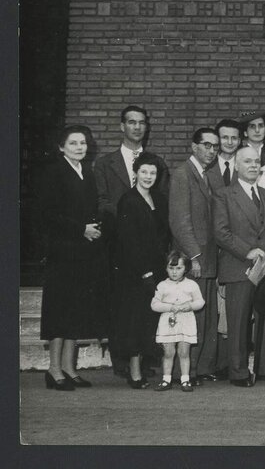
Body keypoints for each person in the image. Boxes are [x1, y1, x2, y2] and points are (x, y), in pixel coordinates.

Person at [93, 104, 168, 378]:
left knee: (146, 304)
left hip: (148, 247)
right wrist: (128, 216)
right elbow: (102, 200)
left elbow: (160, 205)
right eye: (131, 122)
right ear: (121, 126)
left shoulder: (155, 164)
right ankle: (122, 362)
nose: (137, 127)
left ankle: (145, 359)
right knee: (122, 306)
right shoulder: (104, 163)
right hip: (117, 245)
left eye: (141, 122)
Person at [39, 125, 111, 391]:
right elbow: (47, 214)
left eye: (83, 143)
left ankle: (69, 368)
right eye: (73, 143)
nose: (80, 147)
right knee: (59, 311)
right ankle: (54, 369)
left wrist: (95, 227)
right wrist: (80, 229)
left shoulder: (87, 173)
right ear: (61, 147)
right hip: (62, 252)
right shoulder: (54, 173)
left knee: (75, 310)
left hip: (83, 252)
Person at [213, 146, 265, 387]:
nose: (254, 165)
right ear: (236, 165)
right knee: (238, 321)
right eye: (247, 161)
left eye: (257, 161)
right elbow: (221, 233)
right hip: (239, 267)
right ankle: (239, 372)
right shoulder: (224, 195)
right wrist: (247, 251)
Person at [169, 127, 225, 384]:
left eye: (215, 146)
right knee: (192, 317)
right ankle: (187, 372)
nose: (211, 151)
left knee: (206, 316)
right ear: (193, 147)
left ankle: (202, 368)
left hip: (210, 257)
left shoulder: (209, 175)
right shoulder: (183, 174)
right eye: (206, 145)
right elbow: (180, 222)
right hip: (196, 258)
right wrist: (194, 256)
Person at [112, 152, 171, 389]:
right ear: (135, 173)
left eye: (153, 173)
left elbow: (163, 235)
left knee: (149, 320)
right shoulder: (128, 200)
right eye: (144, 172)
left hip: (157, 269)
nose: (148, 176)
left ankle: (145, 365)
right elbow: (129, 242)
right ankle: (134, 372)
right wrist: (144, 272)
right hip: (136, 272)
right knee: (135, 321)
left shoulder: (158, 198)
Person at [151, 251, 205, 392]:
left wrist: (190, 306)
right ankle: (166, 379)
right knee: (168, 352)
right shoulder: (162, 285)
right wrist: (170, 307)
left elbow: (200, 301)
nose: (174, 272)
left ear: (186, 269)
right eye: (171, 268)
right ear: (166, 268)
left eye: (178, 268)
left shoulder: (192, 285)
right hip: (167, 322)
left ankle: (185, 380)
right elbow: (154, 304)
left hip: (186, 321)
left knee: (184, 352)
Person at [207, 118, 242, 194]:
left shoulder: (245, 165)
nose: (230, 142)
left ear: (239, 141)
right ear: (217, 140)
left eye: (234, 138)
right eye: (225, 137)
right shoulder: (207, 165)